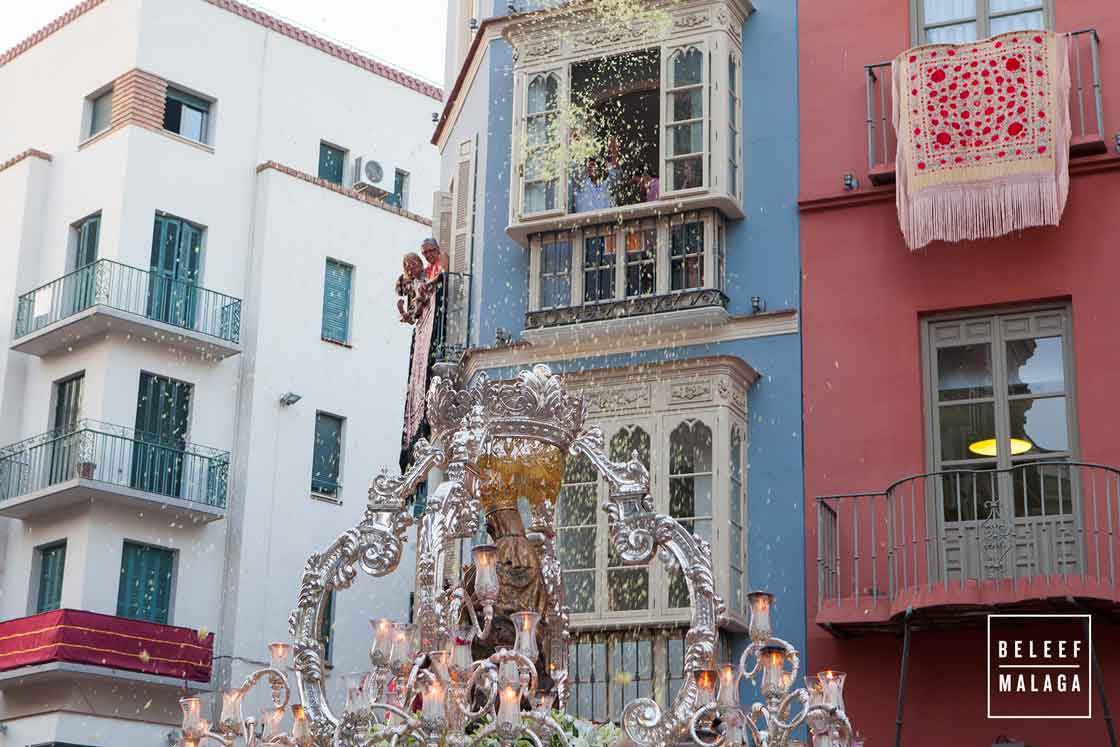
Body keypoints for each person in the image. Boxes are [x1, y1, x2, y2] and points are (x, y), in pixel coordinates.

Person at [394, 252, 427, 323]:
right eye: (409, 266)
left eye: (413, 264)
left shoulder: (428, 272)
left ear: (420, 263)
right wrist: (401, 310)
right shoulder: (412, 297)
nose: (411, 267)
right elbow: (411, 320)